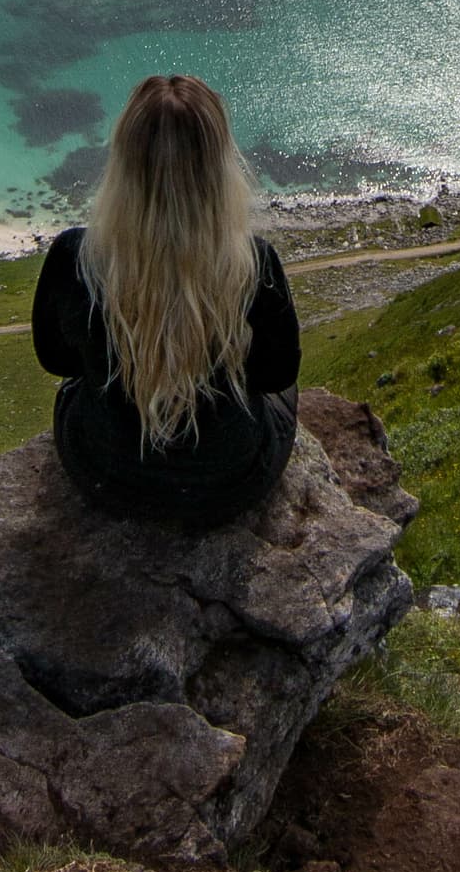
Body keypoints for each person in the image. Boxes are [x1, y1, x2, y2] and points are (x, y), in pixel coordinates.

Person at [32, 74, 301, 532]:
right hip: (232, 481)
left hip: (105, 474)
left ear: (124, 161)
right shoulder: (253, 264)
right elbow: (278, 374)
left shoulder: (77, 257)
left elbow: (56, 359)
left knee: (75, 391)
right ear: (219, 165)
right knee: (284, 394)